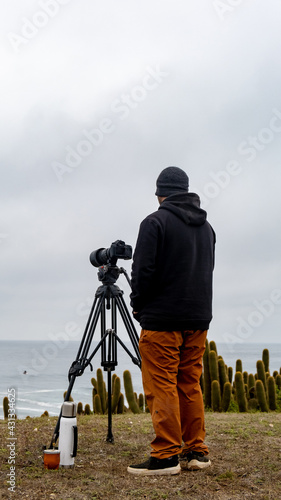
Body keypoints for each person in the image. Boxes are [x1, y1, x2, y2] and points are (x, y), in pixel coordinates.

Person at [127, 166, 216, 476]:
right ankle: (197, 452)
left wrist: (138, 305)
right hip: (198, 317)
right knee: (189, 382)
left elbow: (143, 272)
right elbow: (208, 271)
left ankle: (165, 456)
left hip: (163, 320)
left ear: (160, 194)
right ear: (187, 192)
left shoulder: (154, 222)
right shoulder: (207, 228)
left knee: (162, 384)